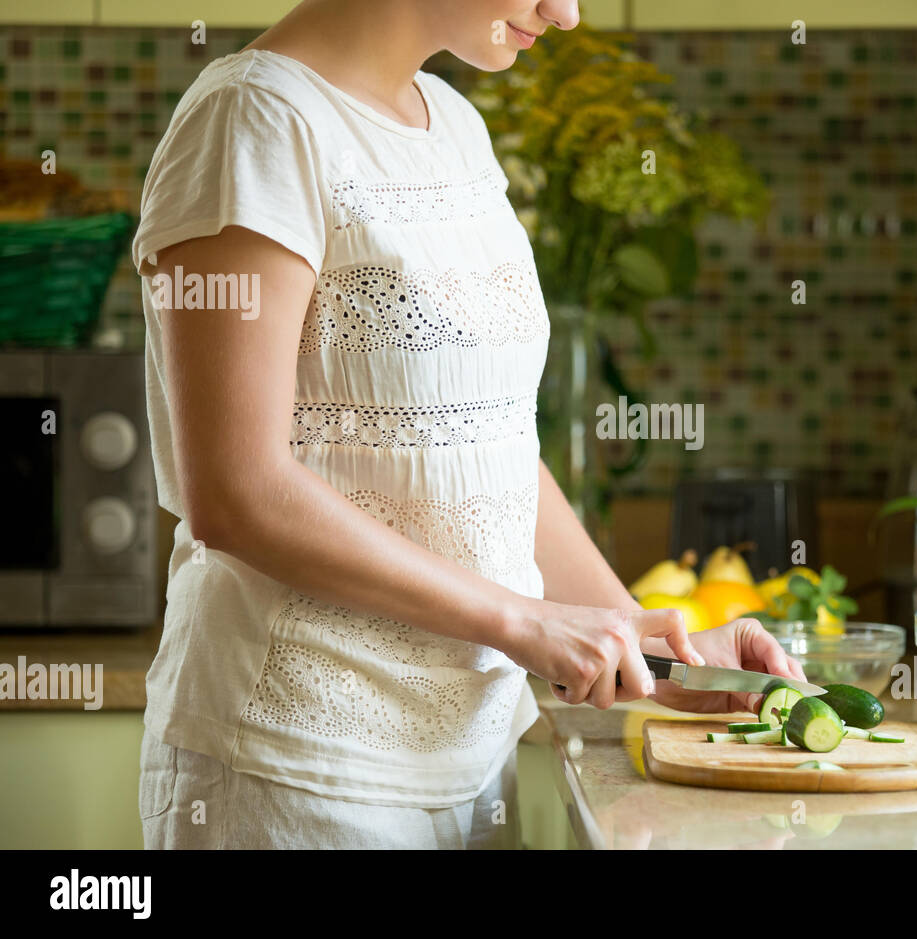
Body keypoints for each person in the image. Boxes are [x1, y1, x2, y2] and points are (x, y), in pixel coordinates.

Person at [132, 0, 804, 849]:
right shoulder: (255, 122)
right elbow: (236, 489)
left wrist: (651, 649)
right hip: (295, 776)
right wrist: (524, 623)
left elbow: (489, 449)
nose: (565, 13)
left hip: (471, 769)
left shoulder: (454, 124)